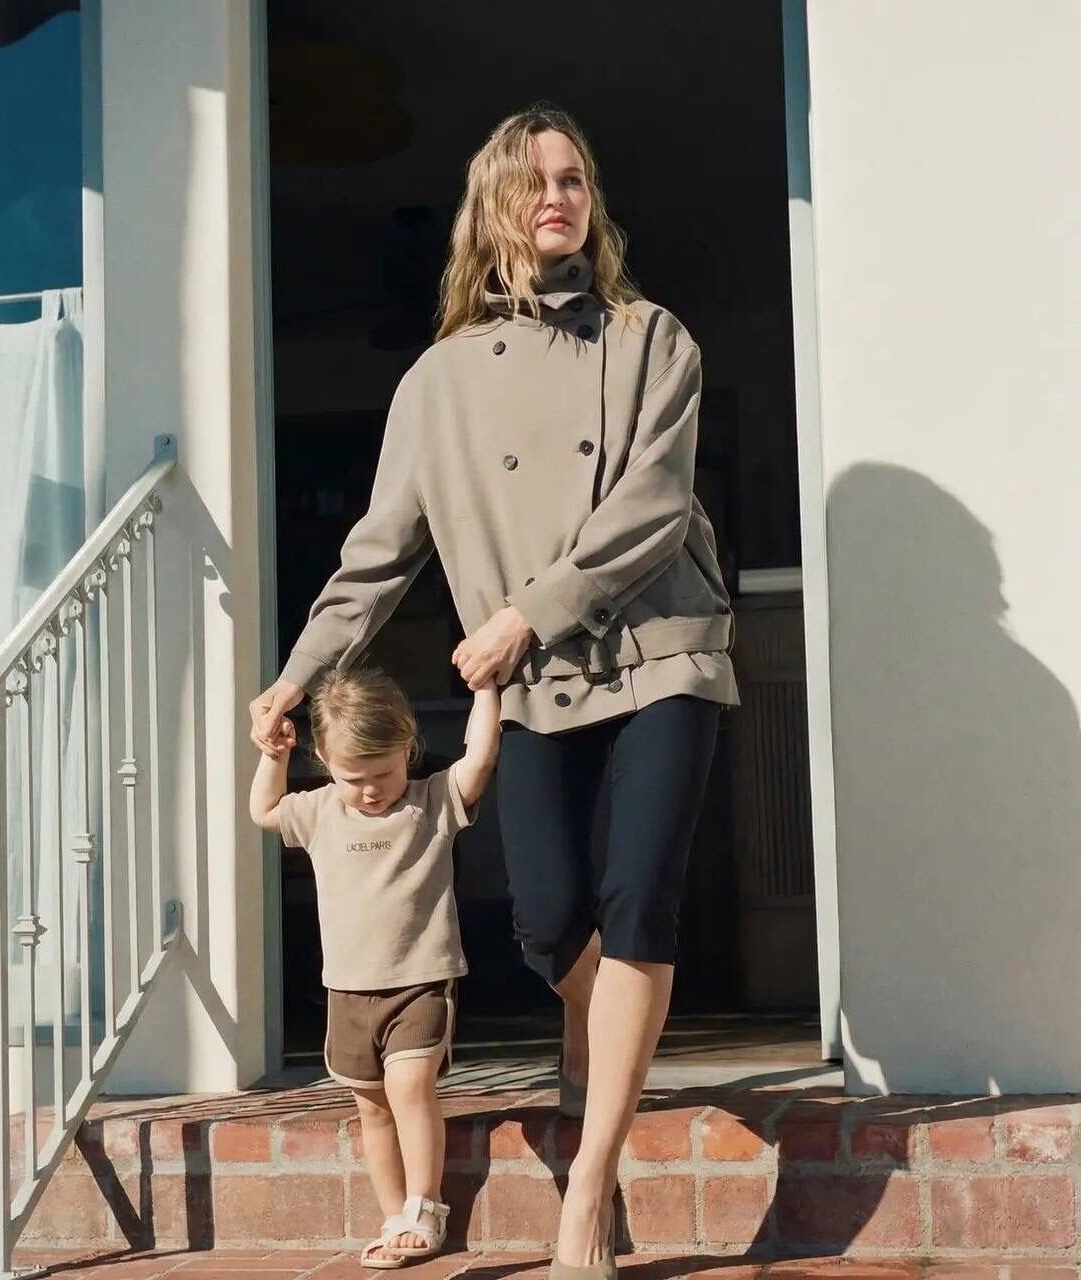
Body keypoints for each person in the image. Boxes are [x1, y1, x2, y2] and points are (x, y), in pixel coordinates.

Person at [250, 104, 738, 1280]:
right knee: (544, 918)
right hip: (535, 681)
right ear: (492, 209)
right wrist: (297, 673)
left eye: (572, 178)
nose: (553, 196)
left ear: (591, 203)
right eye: (531, 181)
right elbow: (376, 557)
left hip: (660, 644)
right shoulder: (436, 384)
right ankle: (593, 1028)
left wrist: (524, 612)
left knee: (637, 898)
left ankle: (589, 1188)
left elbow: (653, 504)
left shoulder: (649, 337)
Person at [250, 667, 501, 1268]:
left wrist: (487, 691)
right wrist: (273, 756)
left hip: (420, 980)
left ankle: (425, 1205)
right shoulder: (318, 811)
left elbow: (479, 761)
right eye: (352, 778)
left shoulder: (430, 802)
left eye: (383, 774)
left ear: (407, 748)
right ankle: (394, 1218)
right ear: (324, 761)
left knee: (409, 1086)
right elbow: (264, 810)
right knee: (372, 1106)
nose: (369, 791)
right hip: (347, 989)